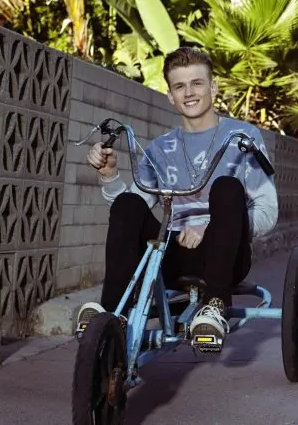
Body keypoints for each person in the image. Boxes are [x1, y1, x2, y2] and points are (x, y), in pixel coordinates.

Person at [76, 46, 278, 354]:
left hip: (226, 254)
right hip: (172, 255)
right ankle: (113, 313)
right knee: (128, 205)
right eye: (180, 86)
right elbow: (129, 214)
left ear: (213, 87)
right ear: (170, 96)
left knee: (227, 187)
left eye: (197, 83)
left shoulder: (244, 138)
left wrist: (211, 227)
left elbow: (268, 211)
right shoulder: (159, 149)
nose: (189, 93)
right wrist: (109, 175)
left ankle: (215, 306)